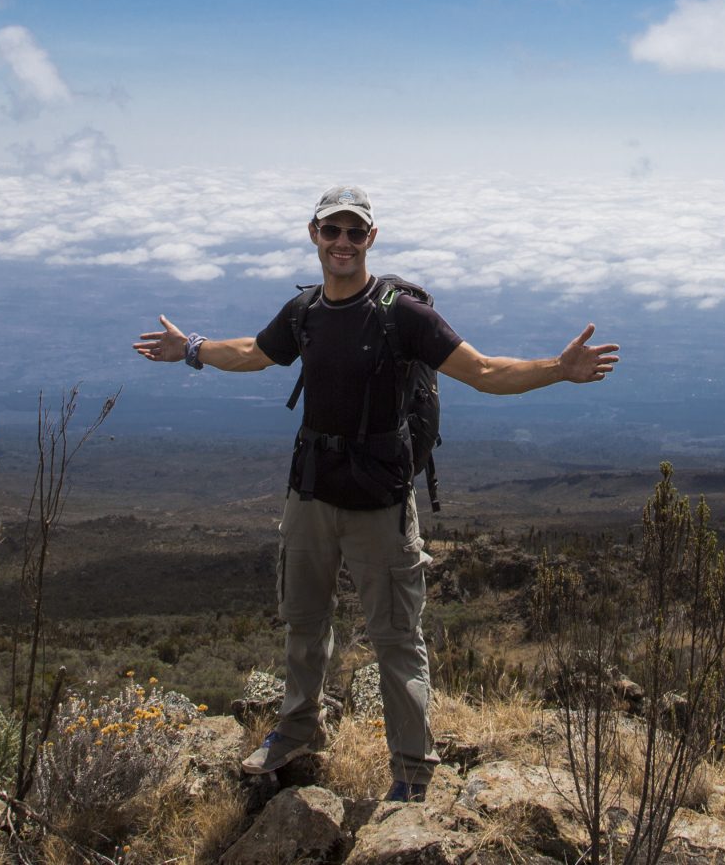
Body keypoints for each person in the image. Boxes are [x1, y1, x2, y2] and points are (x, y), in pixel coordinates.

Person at [133, 184, 619, 802]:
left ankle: (412, 774)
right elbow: (257, 354)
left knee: (395, 639)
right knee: (304, 624)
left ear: (370, 239)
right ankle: (298, 730)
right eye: (331, 231)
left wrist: (558, 368)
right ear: (314, 235)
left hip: (381, 504)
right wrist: (193, 351)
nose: (342, 243)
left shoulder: (400, 314)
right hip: (310, 493)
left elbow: (486, 371)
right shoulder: (304, 311)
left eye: (353, 233)